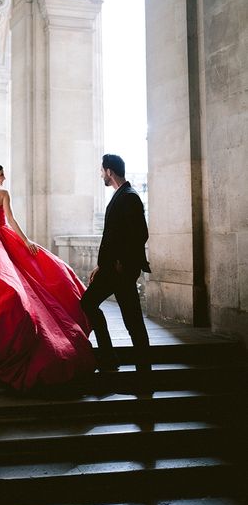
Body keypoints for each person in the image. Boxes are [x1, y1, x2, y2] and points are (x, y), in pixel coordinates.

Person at [0, 162, 95, 391]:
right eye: (1, 174)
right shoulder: (3, 194)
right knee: (24, 275)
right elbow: (12, 220)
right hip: (4, 238)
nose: (4, 178)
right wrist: (26, 242)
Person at [80, 154, 151, 377]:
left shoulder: (129, 197)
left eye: (102, 171)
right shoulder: (121, 195)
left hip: (120, 270)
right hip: (112, 269)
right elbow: (113, 236)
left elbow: (140, 233)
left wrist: (122, 263)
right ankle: (116, 359)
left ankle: (122, 362)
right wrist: (102, 265)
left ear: (109, 171)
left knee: (126, 318)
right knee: (128, 318)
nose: (101, 174)